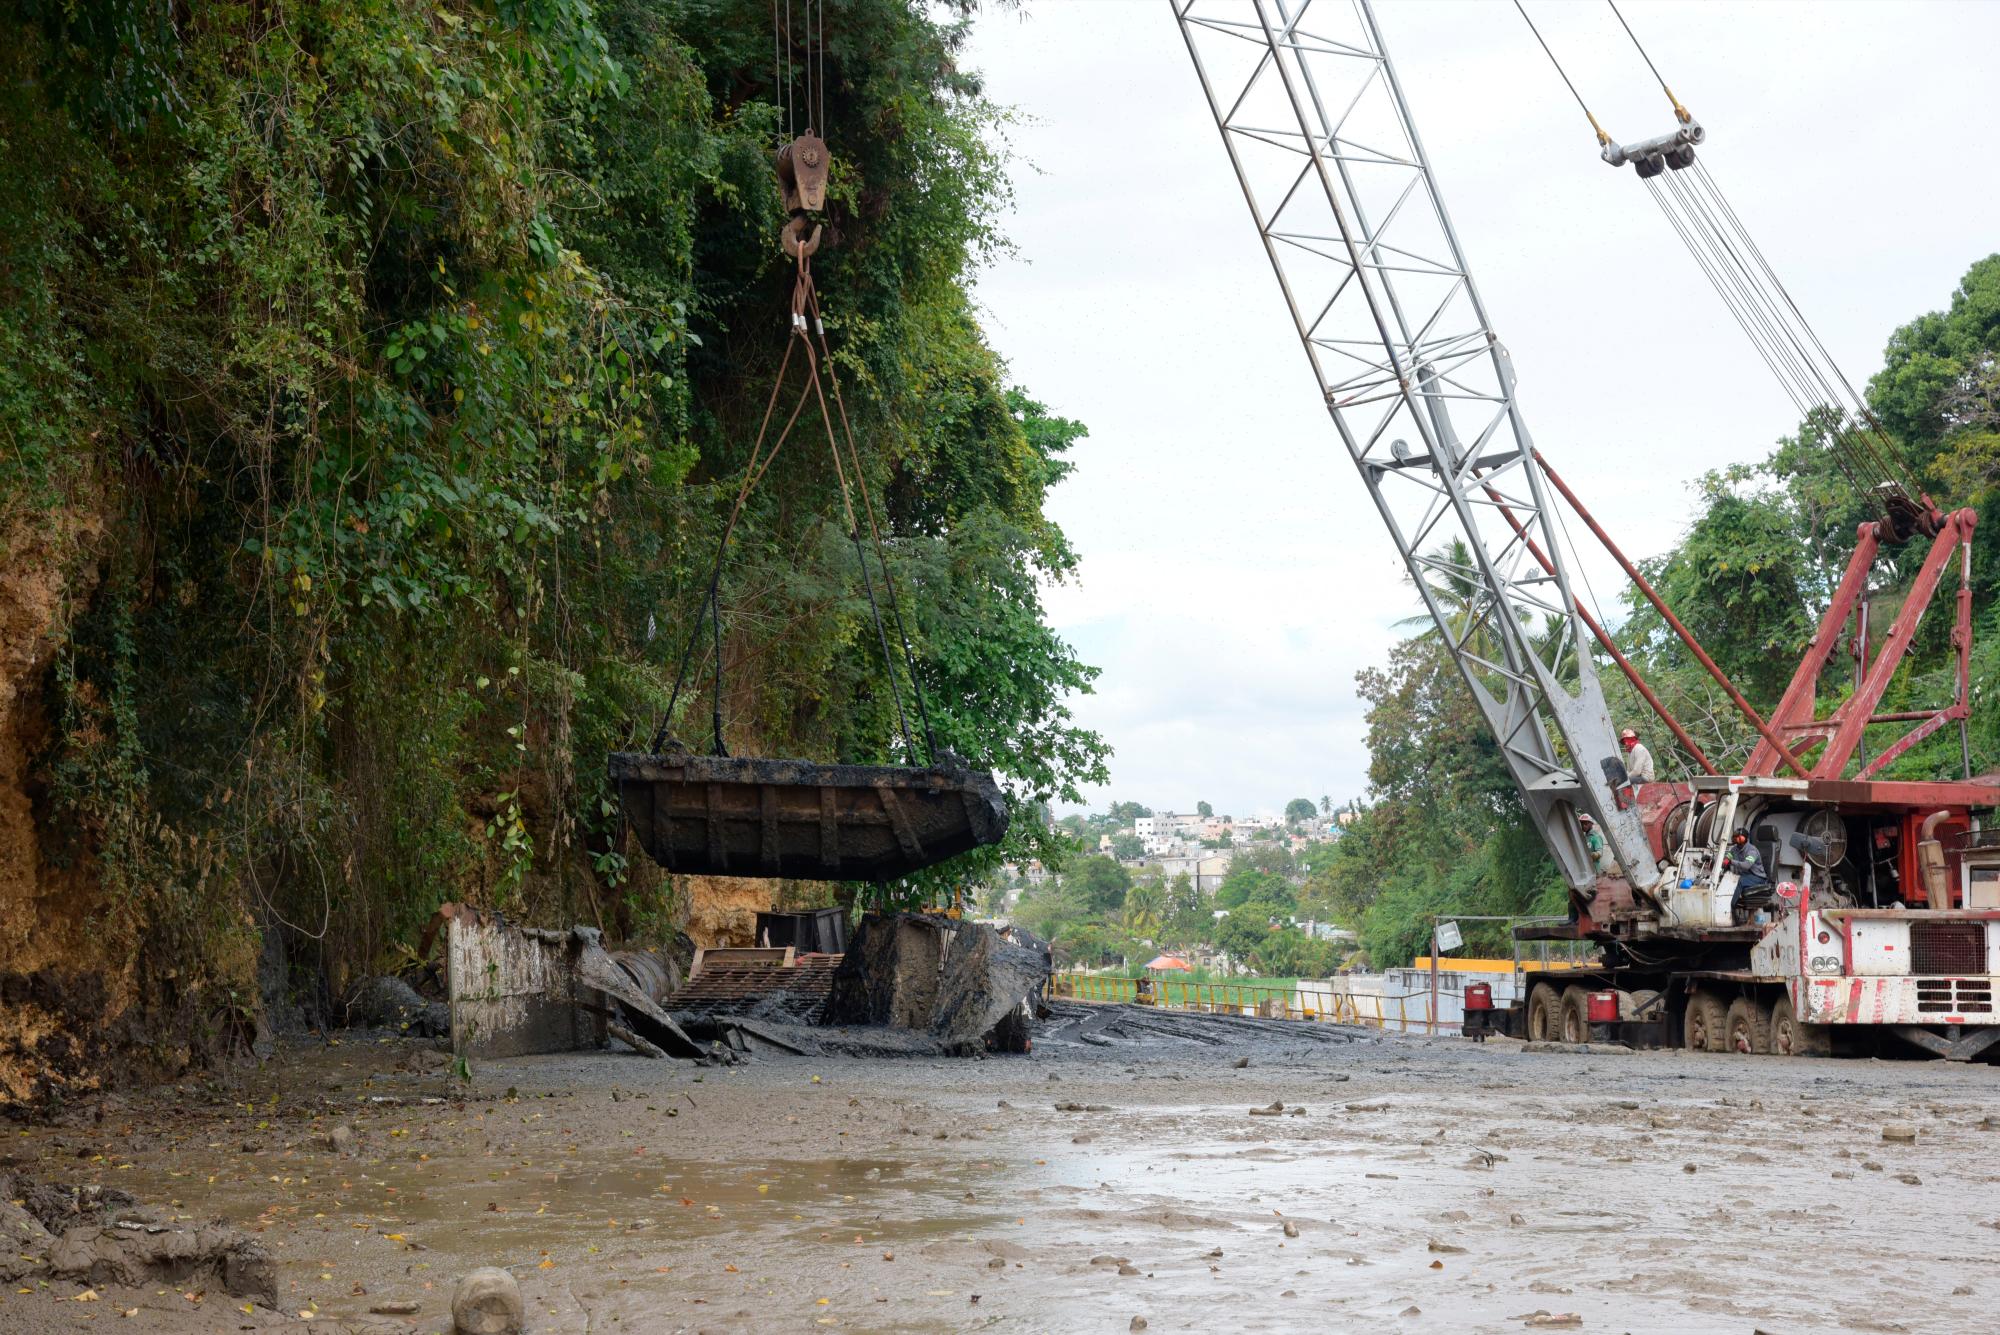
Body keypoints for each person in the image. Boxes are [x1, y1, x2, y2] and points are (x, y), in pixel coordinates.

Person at [1724, 826, 1768, 917]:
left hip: (1757, 877)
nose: (1736, 839)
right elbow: (1726, 858)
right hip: (1746, 876)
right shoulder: (1734, 849)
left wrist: (1731, 862)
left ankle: (1731, 907)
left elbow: (1746, 865)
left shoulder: (1751, 850)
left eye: (1738, 837)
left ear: (1744, 838)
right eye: (1735, 837)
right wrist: (1720, 861)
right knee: (1727, 880)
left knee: (1739, 881)